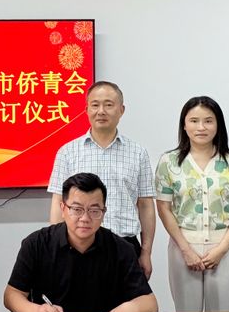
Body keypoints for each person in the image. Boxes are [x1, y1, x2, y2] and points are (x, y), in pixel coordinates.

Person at [5, 173, 157, 312]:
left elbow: (150, 302)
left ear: (103, 212)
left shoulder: (121, 249)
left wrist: (130, 308)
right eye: (77, 209)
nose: (85, 218)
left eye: (94, 210)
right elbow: (11, 295)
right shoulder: (37, 244)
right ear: (63, 209)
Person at [48, 80, 156, 278]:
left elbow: (146, 205)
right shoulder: (67, 152)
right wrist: (57, 249)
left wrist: (146, 252)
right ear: (86, 110)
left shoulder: (138, 153)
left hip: (125, 245)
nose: (101, 111)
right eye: (95, 105)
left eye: (108, 104)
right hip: (79, 245)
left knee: (130, 299)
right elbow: (58, 202)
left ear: (121, 110)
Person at [155, 96, 229, 312]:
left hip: (224, 246)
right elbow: (164, 209)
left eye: (208, 121)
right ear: (184, 125)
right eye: (194, 121)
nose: (201, 127)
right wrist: (186, 250)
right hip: (183, 247)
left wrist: (221, 250)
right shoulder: (169, 162)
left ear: (218, 125)